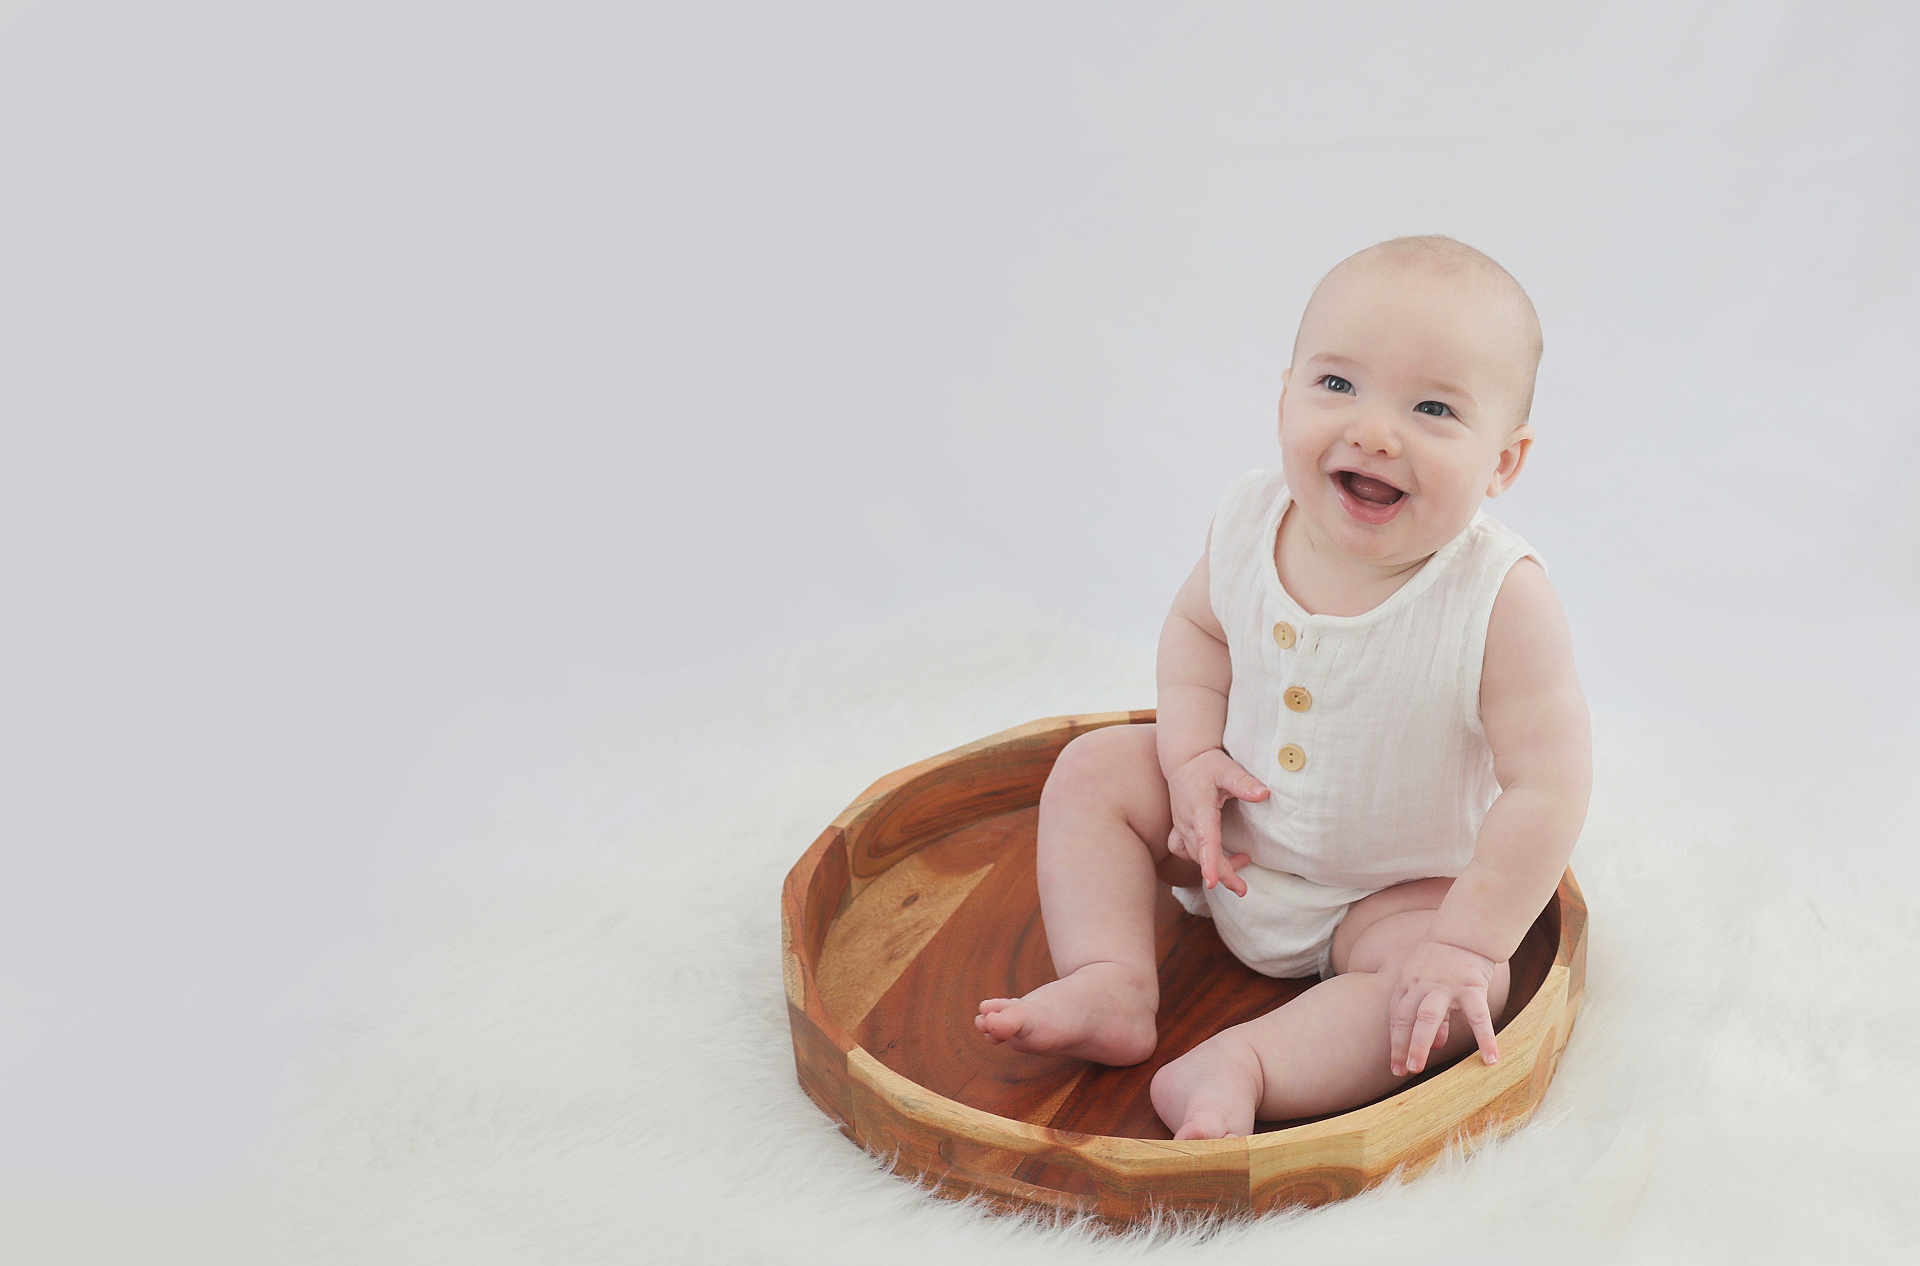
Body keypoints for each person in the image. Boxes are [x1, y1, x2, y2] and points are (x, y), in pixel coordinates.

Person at [973, 234, 1593, 1140]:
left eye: (1432, 408)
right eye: (1337, 386)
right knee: (1096, 770)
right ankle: (1111, 979)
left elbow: (1549, 782)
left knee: (1467, 995)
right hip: (1233, 842)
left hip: (1390, 894)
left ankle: (1249, 1063)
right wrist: (1189, 760)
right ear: (1284, 395)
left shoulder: (1500, 598)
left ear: (1503, 463)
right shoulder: (1252, 518)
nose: (1374, 431)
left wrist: (1468, 940)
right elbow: (1199, 630)